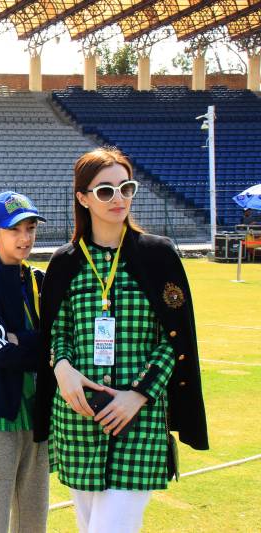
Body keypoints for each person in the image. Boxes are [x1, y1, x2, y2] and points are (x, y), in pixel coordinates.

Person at [34, 147, 208, 533]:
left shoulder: (158, 255)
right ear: (82, 198)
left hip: (140, 420)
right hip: (78, 419)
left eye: (126, 188)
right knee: (90, 525)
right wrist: (62, 369)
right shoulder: (65, 262)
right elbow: (57, 331)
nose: (119, 199)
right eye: (105, 191)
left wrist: (139, 394)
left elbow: (175, 340)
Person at [0, 191, 49, 533]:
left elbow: (57, 341)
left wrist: (23, 341)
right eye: (15, 229)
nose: (25, 238)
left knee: (34, 515)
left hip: (39, 410)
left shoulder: (40, 279)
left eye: (30, 228)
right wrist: (38, 347)